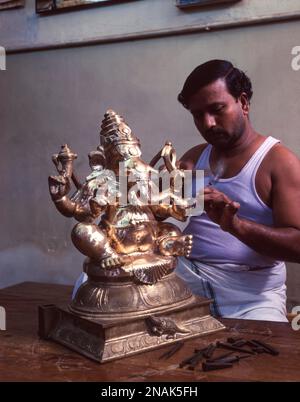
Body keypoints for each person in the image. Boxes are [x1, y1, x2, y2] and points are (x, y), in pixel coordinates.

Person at [175, 59, 300, 322]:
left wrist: (236, 225)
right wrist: (127, 183)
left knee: (260, 356)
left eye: (217, 109)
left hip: (251, 295)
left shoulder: (279, 162)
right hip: (189, 278)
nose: (208, 123)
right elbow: (148, 208)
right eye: (198, 115)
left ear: (243, 102)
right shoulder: (193, 158)